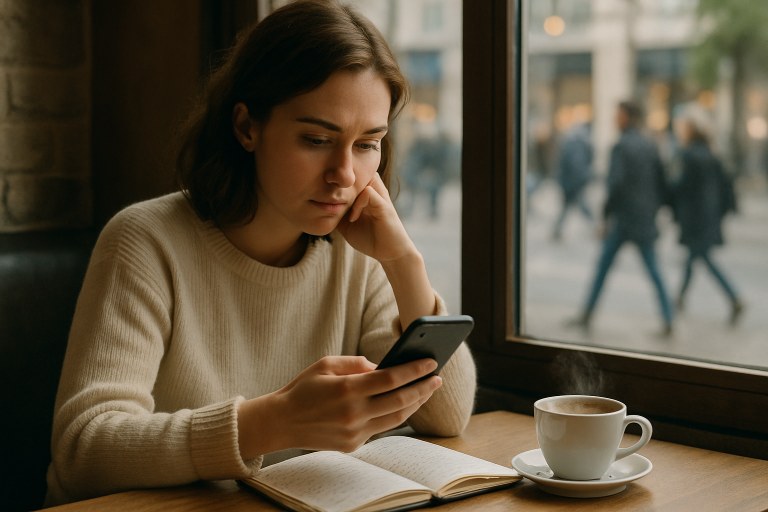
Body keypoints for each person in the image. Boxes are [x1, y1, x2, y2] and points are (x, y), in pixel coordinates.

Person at [44, 1, 476, 506]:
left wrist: (405, 264)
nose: (345, 175)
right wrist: (270, 422)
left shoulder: (358, 251)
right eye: (316, 139)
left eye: (367, 144)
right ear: (247, 127)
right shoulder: (146, 241)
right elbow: (83, 450)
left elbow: (447, 415)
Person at [570, 101, 674, 335]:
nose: (614, 120)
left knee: (603, 268)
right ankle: (669, 319)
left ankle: (586, 315)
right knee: (654, 271)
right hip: (644, 218)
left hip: (624, 220)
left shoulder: (620, 146)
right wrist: (656, 210)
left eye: (617, 115)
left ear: (627, 117)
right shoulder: (650, 145)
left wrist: (605, 217)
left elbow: (614, 185)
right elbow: (662, 183)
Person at [671, 102, 745, 325]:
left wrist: (666, 188)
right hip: (709, 215)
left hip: (695, 217)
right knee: (694, 257)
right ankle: (680, 297)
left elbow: (683, 186)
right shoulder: (711, 152)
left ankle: (734, 298)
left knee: (702, 257)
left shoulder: (690, 154)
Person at [552, 122, 594, 240]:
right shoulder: (578, 145)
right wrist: (582, 180)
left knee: (567, 207)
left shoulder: (570, 143)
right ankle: (595, 226)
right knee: (580, 205)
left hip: (568, 182)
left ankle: (557, 229)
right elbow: (577, 166)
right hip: (572, 183)